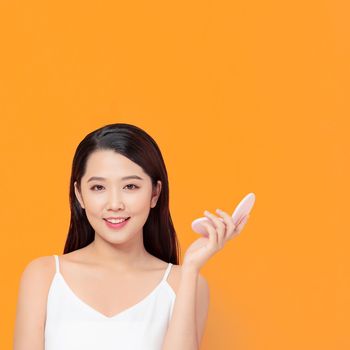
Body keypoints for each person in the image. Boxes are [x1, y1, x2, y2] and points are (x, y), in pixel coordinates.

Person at [13, 122, 250, 350]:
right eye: (98, 187)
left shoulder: (186, 283)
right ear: (79, 194)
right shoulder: (44, 277)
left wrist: (190, 270)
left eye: (131, 187)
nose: (115, 204)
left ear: (155, 193)